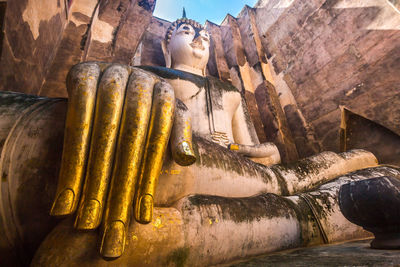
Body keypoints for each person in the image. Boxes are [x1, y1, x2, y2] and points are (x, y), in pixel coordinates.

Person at [0, 15, 394, 266]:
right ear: (165, 42)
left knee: (355, 158)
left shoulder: (229, 91)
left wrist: (248, 150)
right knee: (288, 193)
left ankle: (310, 204)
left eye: (203, 34)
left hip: (247, 170)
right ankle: (309, 212)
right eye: (186, 31)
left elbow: (268, 152)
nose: (199, 39)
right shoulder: (149, 73)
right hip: (186, 163)